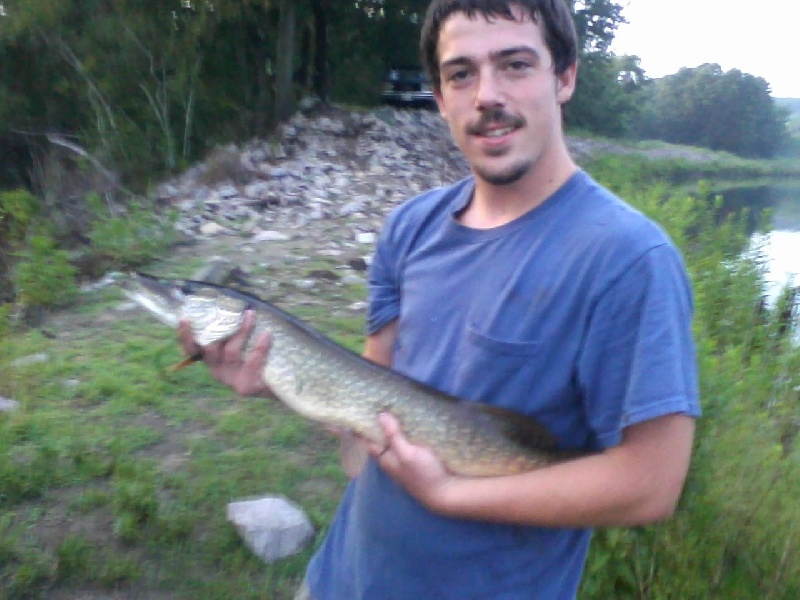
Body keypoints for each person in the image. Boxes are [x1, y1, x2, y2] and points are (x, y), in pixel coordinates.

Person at [179, 0, 701, 597]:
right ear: (439, 94)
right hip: (342, 578)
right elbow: (368, 397)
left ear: (565, 76)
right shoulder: (410, 228)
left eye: (515, 65)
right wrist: (272, 372)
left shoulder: (628, 260)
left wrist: (449, 493)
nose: (486, 95)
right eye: (461, 74)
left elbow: (651, 483)